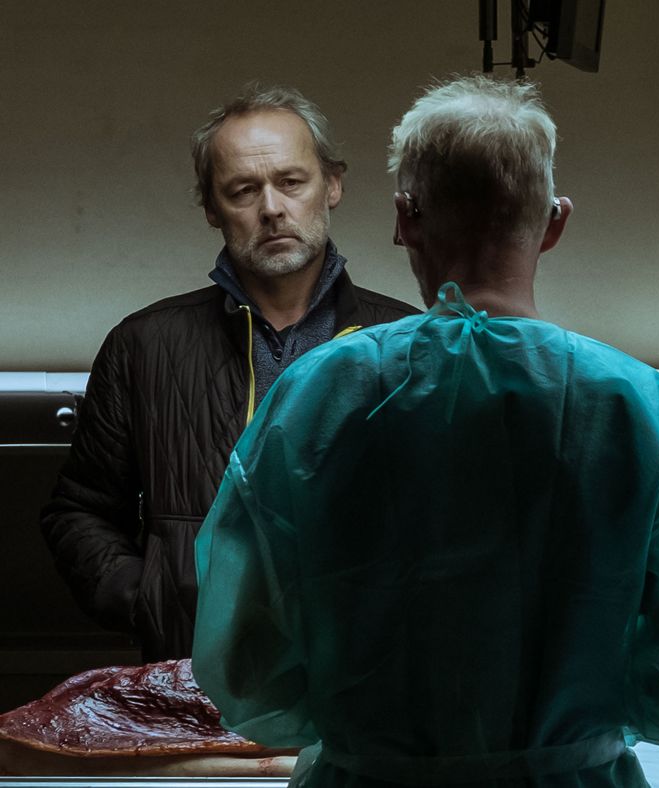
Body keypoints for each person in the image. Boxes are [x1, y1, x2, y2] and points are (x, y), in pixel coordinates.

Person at [190, 75, 659, 787]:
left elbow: (248, 668)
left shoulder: (317, 400)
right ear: (554, 223)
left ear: (405, 219)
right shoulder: (636, 408)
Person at [39, 84, 416, 663]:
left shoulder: (411, 342)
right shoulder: (144, 344)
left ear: (332, 185)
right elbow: (78, 510)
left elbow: (457, 525)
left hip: (363, 683)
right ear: (212, 208)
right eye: (243, 190)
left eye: (291, 182)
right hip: (194, 676)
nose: (272, 208)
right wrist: (149, 599)